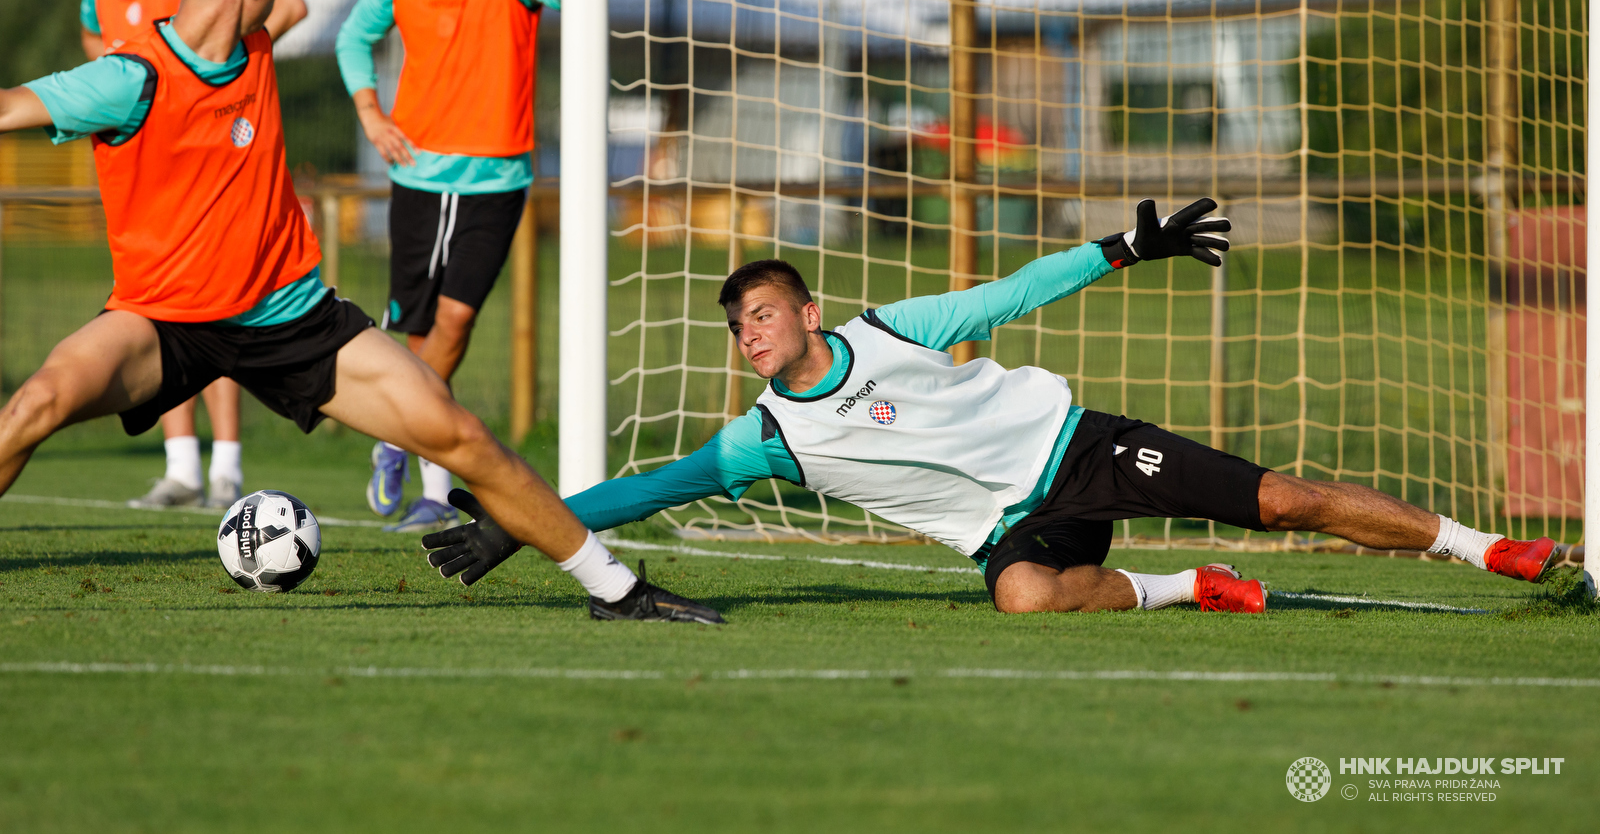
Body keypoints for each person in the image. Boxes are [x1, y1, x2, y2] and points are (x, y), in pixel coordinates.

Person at [0, 0, 720, 625]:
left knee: (461, 433)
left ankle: (620, 591)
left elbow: (277, 19)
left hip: (292, 315)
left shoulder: (255, 43)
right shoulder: (128, 79)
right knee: (34, 406)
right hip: (164, 319)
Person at [422, 199, 1561, 613]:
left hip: (1076, 449)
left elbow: (1010, 292)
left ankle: (1479, 544)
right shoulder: (761, 438)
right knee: (1025, 596)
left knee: (1286, 496)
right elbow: (641, 488)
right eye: (736, 326)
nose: (749, 332)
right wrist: (518, 520)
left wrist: (1126, 245)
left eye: (763, 312)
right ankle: (1184, 588)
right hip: (1013, 527)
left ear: (808, 311)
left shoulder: (888, 328)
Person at [77, 0, 309, 509]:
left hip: (209, 144)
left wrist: (227, 73)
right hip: (148, 156)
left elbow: (283, 7)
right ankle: (182, 468)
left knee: (219, 300)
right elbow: (97, 46)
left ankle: (226, 466)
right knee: (159, 305)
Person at [335, 0, 555, 533]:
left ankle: (395, 432)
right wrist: (372, 113)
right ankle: (433, 491)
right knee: (417, 330)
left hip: (498, 179)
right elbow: (352, 39)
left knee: (455, 324)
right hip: (418, 179)